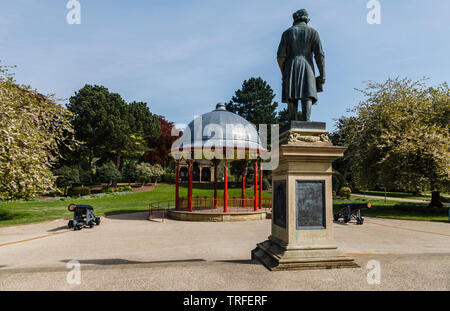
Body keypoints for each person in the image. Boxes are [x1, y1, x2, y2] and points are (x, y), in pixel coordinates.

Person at [277, 9, 326, 122]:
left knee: (291, 96)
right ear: (306, 18)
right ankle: (307, 121)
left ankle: (292, 122)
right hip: (307, 66)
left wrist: (283, 72)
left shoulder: (287, 33)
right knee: (307, 94)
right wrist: (322, 75)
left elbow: (280, 56)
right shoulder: (313, 33)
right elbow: (320, 55)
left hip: (290, 66)